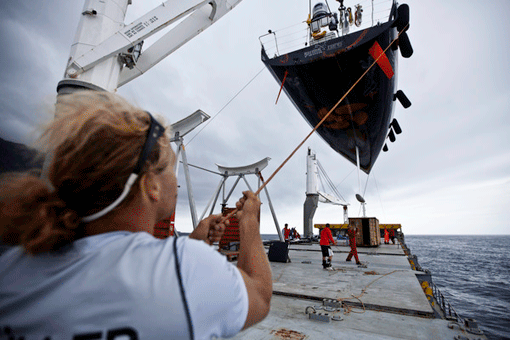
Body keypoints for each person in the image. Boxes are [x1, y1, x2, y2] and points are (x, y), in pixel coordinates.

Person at [0, 91, 272, 339]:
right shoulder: (188, 268)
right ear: (150, 185)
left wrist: (195, 240)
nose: (175, 183)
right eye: (170, 169)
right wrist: (249, 223)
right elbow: (259, 295)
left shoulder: (12, 267)